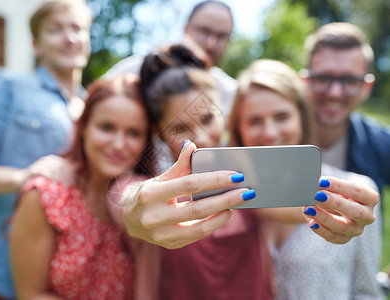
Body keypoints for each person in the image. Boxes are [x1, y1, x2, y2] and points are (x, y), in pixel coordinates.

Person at [107, 46, 379, 299]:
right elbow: (127, 198)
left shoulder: (245, 175)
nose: (200, 137)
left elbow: (295, 203)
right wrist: (136, 209)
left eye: (206, 118)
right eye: (180, 128)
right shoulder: (151, 183)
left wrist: (348, 209)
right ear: (160, 133)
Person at [0, 0, 92, 299]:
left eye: (77, 28)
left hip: (68, 280)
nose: (69, 37)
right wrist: (21, 178)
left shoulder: (95, 110)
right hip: (0, 275)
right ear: (36, 45)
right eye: (55, 29)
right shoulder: (11, 88)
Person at [229, 58, 383, 299]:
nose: (269, 133)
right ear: (239, 130)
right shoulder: (227, 199)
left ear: (301, 117)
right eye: (254, 121)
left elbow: (367, 292)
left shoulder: (353, 192)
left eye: (281, 117)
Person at [10, 74, 155, 300]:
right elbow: (31, 294)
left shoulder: (145, 203)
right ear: (84, 127)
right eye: (106, 128)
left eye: (134, 133)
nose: (118, 145)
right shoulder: (45, 197)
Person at [103, 0, 238, 120]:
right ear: (186, 29)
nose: (211, 43)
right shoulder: (134, 71)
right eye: (204, 31)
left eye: (221, 36)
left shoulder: (229, 92)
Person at [301, 22, 390, 194]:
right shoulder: (275, 137)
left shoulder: (382, 144)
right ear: (305, 82)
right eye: (324, 78)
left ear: (366, 87)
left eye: (350, 80)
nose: (335, 93)